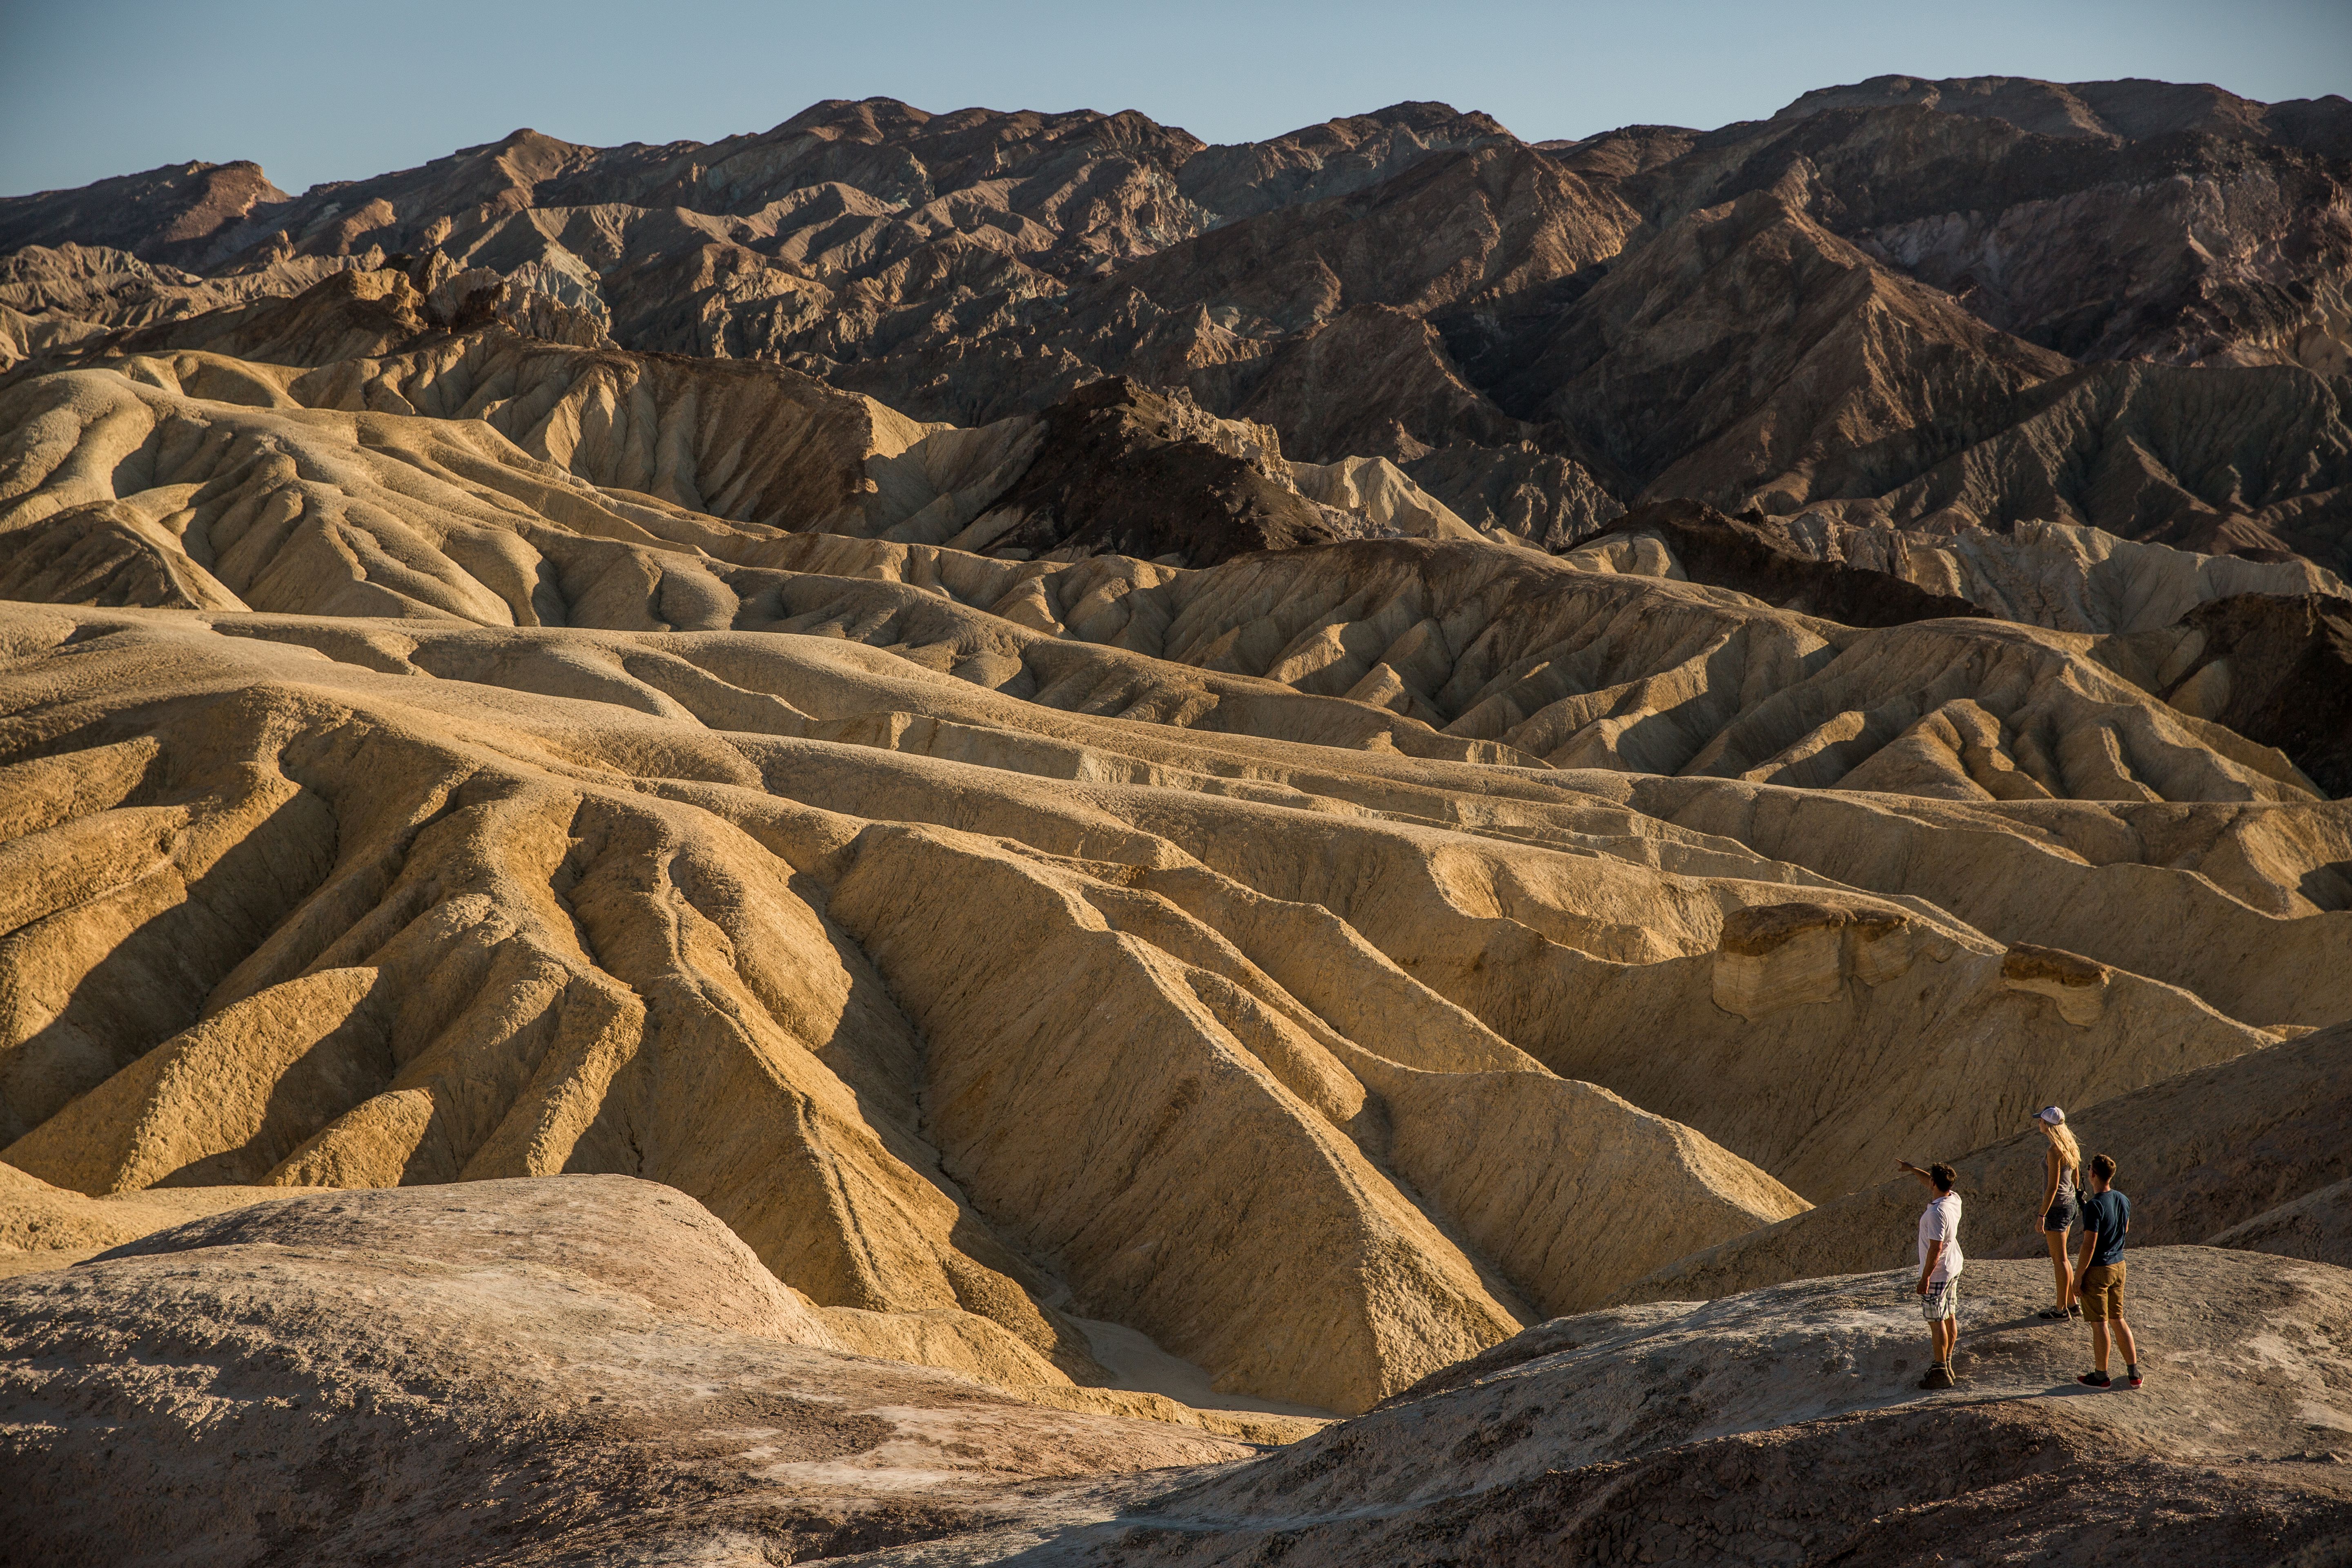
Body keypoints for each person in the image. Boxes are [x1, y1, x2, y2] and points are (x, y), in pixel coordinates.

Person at [2075, 1152, 2141, 1389]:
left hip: (2099, 1269)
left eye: (2089, 1169)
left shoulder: (2094, 1206)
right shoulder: (2123, 1199)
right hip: (2119, 1266)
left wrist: (2078, 1276)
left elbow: (2089, 1244)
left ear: (2093, 1174)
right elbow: (2124, 1228)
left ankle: (2101, 1376)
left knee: (2100, 1323)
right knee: (2118, 1318)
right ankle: (2134, 1373)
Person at [1898, 1158, 1964, 1389]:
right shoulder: (1953, 1199)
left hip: (1938, 1273)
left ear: (1935, 1183)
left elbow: (1935, 1248)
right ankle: (1947, 1364)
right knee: (1949, 1317)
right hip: (1953, 1266)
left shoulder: (1936, 1214)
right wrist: (1913, 1169)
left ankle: (1940, 1370)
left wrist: (1925, 1277)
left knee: (1937, 1322)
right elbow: (1931, 1181)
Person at [2031, 1107, 2083, 1321]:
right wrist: (2076, 1196)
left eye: (2041, 1121)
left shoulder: (2054, 1151)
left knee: (2059, 1259)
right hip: (2069, 1204)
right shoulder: (2070, 1145)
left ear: (2048, 1126)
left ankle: (2061, 1310)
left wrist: (2042, 1215)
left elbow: (2052, 1187)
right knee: (2064, 1257)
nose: (2039, 1124)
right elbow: (2077, 1176)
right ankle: (2073, 1304)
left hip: (2057, 1208)